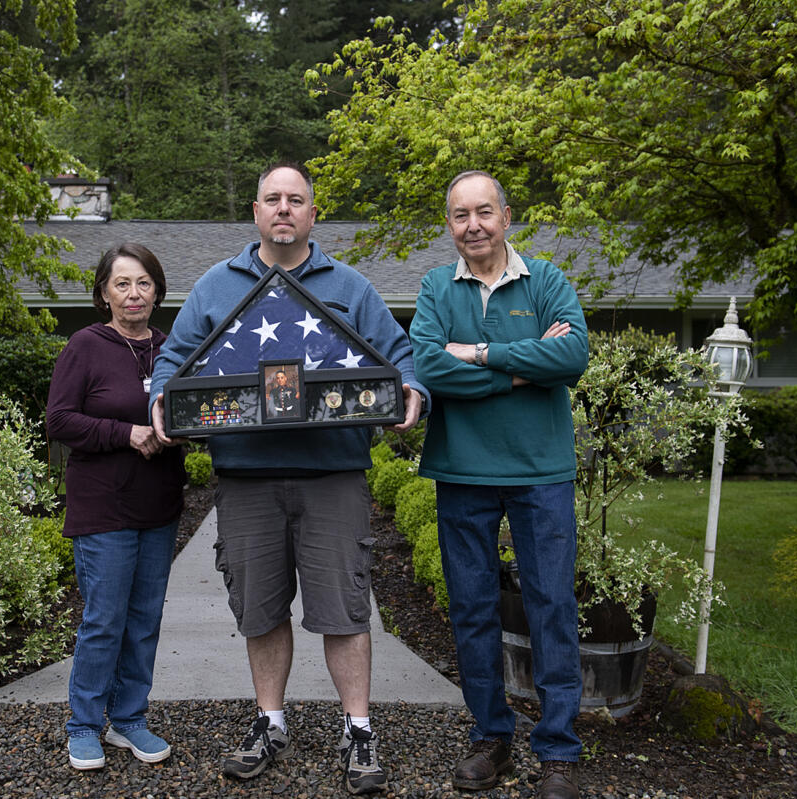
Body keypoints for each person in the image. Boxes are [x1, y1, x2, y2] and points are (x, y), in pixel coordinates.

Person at [149, 162, 428, 795]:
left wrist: (412, 391)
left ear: (310, 214)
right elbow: (173, 361)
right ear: (255, 211)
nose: (283, 209)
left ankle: (358, 730)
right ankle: (269, 722)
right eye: (272, 199)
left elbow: (401, 360)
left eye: (295, 200)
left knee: (344, 609)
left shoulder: (351, 287)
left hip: (333, 474)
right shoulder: (216, 288)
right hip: (247, 479)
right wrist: (161, 400)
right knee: (260, 609)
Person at [408, 171, 589, 799]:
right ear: (450, 224)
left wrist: (480, 355)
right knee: (473, 609)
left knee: (551, 606)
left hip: (541, 474)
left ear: (506, 216)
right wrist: (521, 364)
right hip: (462, 470)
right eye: (461, 216)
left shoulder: (547, 281)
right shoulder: (437, 285)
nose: (473, 226)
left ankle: (559, 751)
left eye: (484, 212)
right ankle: (492, 735)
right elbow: (427, 363)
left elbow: (570, 358)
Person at [46, 242, 186, 772]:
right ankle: (83, 725)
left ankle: (129, 719)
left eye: (144, 283)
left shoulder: (171, 347)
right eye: (123, 283)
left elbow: (190, 410)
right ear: (104, 292)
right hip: (104, 508)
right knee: (104, 620)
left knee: (145, 619)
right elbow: (59, 421)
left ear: (157, 291)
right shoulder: (85, 346)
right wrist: (126, 432)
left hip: (159, 505)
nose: (134, 294)